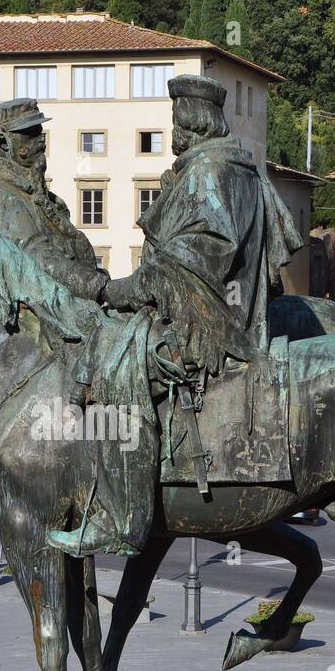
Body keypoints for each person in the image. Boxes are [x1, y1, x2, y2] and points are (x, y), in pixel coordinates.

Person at [45, 74, 304, 557]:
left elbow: (190, 262)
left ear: (193, 123)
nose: (173, 136)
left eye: (176, 125)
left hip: (209, 324)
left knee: (118, 364)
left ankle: (123, 518)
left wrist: (121, 289)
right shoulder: (239, 166)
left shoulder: (209, 173)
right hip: (228, 311)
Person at [0, 98, 110, 306]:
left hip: (67, 302)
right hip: (37, 315)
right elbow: (37, 257)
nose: (41, 140)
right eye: (30, 133)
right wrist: (102, 288)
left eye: (39, 130)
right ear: (3, 143)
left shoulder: (30, 188)